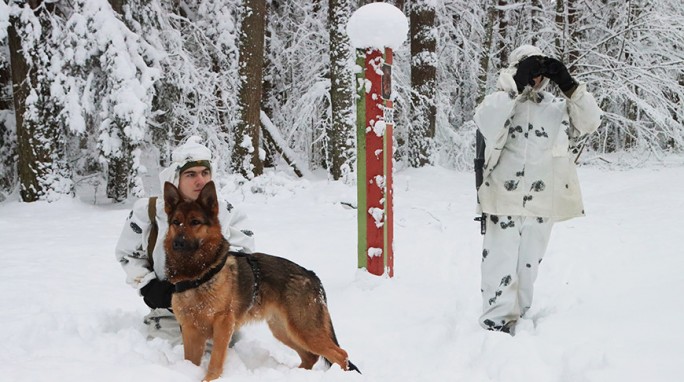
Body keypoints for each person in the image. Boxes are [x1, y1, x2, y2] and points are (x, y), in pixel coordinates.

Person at [473, 45, 602, 334]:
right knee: (499, 262)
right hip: (502, 198)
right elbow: (487, 122)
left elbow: (591, 122)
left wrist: (570, 85)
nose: (535, 79)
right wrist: (515, 85)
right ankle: (495, 320)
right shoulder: (499, 102)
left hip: (542, 201)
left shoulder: (555, 107)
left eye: (539, 73)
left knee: (528, 265)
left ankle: (519, 314)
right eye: (529, 70)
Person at [115, 136, 255, 344]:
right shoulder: (150, 212)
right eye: (191, 174)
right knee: (165, 363)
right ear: (176, 178)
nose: (200, 180)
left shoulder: (227, 212)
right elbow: (127, 254)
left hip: (214, 314)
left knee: (216, 366)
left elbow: (245, 257)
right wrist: (148, 285)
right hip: (167, 315)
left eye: (205, 173)